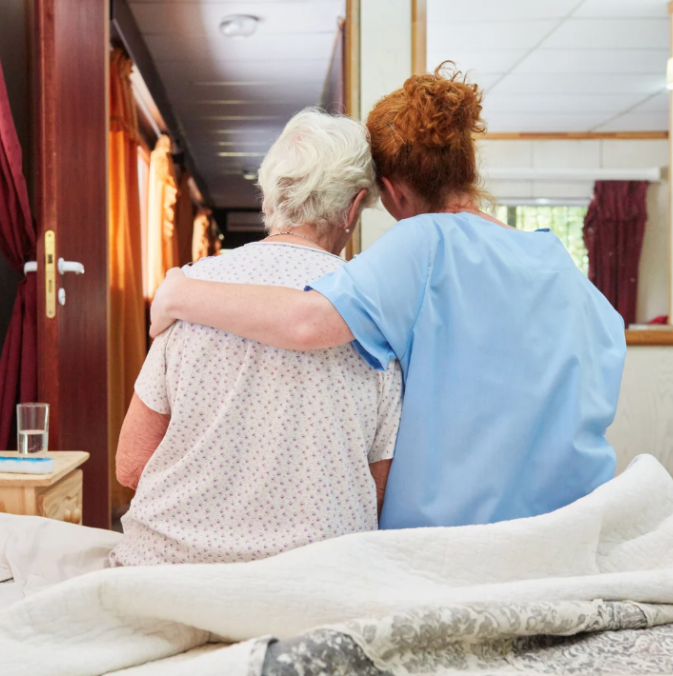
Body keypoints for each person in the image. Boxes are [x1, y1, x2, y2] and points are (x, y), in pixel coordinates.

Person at [149, 63, 627, 531]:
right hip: (572, 526)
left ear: (393, 192)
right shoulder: (552, 256)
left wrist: (178, 292)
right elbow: (602, 357)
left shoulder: (425, 240)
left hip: (454, 543)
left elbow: (305, 323)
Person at [110, 110, 403, 567]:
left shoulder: (190, 291)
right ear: (353, 208)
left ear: (269, 199)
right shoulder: (373, 313)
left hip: (166, 575)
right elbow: (380, 492)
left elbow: (131, 465)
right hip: (309, 585)